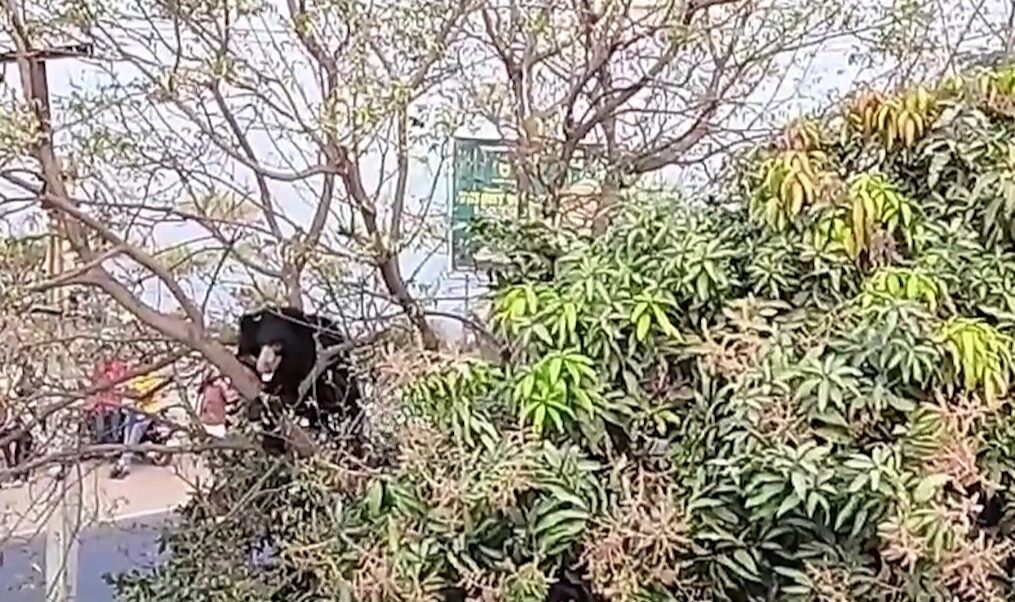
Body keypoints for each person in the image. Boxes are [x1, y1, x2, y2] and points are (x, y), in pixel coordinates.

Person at [110, 371, 170, 479]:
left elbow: (140, 394)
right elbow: (128, 386)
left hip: (151, 411)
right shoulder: (138, 377)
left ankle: (124, 461)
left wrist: (125, 392)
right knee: (127, 423)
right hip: (137, 409)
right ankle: (125, 460)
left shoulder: (155, 378)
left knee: (136, 428)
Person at [88, 349, 128, 444]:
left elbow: (121, 380)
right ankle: (100, 438)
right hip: (101, 398)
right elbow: (95, 381)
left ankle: (115, 438)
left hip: (114, 397)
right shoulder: (99, 368)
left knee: (114, 416)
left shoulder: (117, 367)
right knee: (99, 415)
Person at [198, 373, 235, 439]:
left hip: (209, 418)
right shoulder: (220, 385)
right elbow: (229, 397)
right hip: (216, 418)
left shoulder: (207, 387)